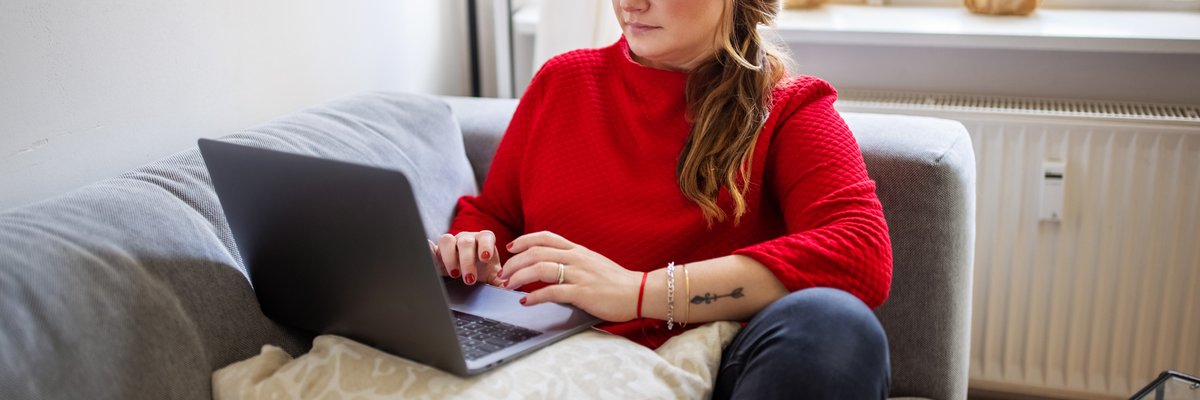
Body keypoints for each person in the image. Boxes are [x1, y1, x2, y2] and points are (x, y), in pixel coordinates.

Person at [432, 0, 892, 398]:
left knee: (837, 327)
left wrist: (638, 293)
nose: (630, 3)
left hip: (706, 367)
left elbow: (861, 251)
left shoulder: (789, 108)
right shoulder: (563, 81)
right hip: (547, 360)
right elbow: (496, 213)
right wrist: (473, 246)